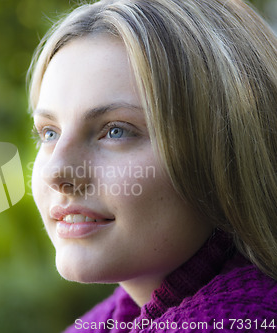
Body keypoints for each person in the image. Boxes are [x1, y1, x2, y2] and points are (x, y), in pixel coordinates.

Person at [27, 0, 277, 331]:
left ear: (226, 148)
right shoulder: (106, 320)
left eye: (115, 131)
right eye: (49, 132)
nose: (55, 172)